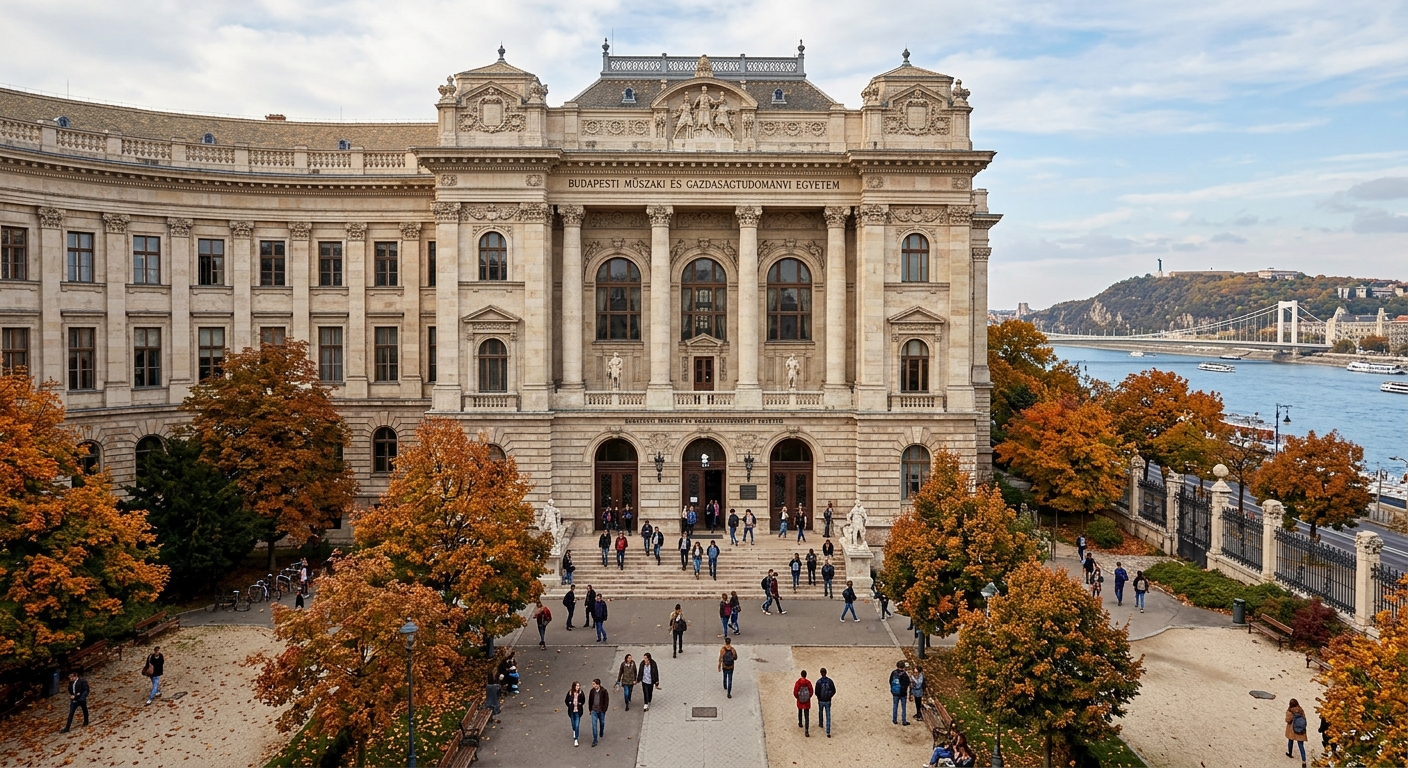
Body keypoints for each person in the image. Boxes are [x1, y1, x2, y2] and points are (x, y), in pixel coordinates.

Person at [814, 667, 836, 738]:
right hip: (828, 700)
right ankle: (828, 731)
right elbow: (834, 690)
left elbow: (816, 692)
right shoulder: (830, 681)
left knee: (820, 712)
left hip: (821, 700)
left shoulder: (818, 682)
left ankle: (821, 723)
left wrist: (819, 697)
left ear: (821, 673)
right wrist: (830, 696)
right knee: (828, 715)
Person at [588, 678, 610, 747]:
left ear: (598, 685)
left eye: (594, 684)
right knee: (594, 725)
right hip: (594, 710)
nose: (593, 685)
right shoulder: (592, 691)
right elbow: (590, 700)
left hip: (601, 711)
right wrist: (590, 709)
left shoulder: (604, 691)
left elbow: (606, 701)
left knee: (602, 722)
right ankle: (595, 740)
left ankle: (601, 731)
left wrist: (604, 710)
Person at [1286, 698, 1309, 763]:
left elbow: (1288, 720)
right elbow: (1304, 718)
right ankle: (1304, 760)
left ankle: (1290, 753)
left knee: (1290, 741)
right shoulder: (1301, 710)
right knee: (1301, 746)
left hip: (1292, 730)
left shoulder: (1289, 711)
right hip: (1301, 730)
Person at [890, 661, 911, 726]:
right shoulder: (904, 675)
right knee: (903, 707)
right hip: (903, 694)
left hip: (895, 693)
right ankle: (904, 721)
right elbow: (908, 683)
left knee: (895, 706)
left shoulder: (894, 673)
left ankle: (894, 720)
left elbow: (890, 681)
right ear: (903, 667)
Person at [565, 681, 585, 747]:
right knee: (573, 724)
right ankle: (574, 731)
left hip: (578, 711)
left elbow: (583, 701)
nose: (578, 687)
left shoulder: (581, 693)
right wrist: (570, 705)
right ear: (574, 686)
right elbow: (566, 701)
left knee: (577, 725)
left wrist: (579, 705)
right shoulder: (570, 693)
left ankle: (576, 739)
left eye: (579, 686)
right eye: (577, 686)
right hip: (571, 711)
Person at [793, 670, 814, 737]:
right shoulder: (808, 683)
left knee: (800, 711)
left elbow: (795, 692)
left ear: (801, 675)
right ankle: (806, 730)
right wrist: (808, 697)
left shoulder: (798, 682)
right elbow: (811, 691)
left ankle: (800, 722)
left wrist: (798, 698)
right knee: (806, 715)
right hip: (807, 701)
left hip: (800, 700)